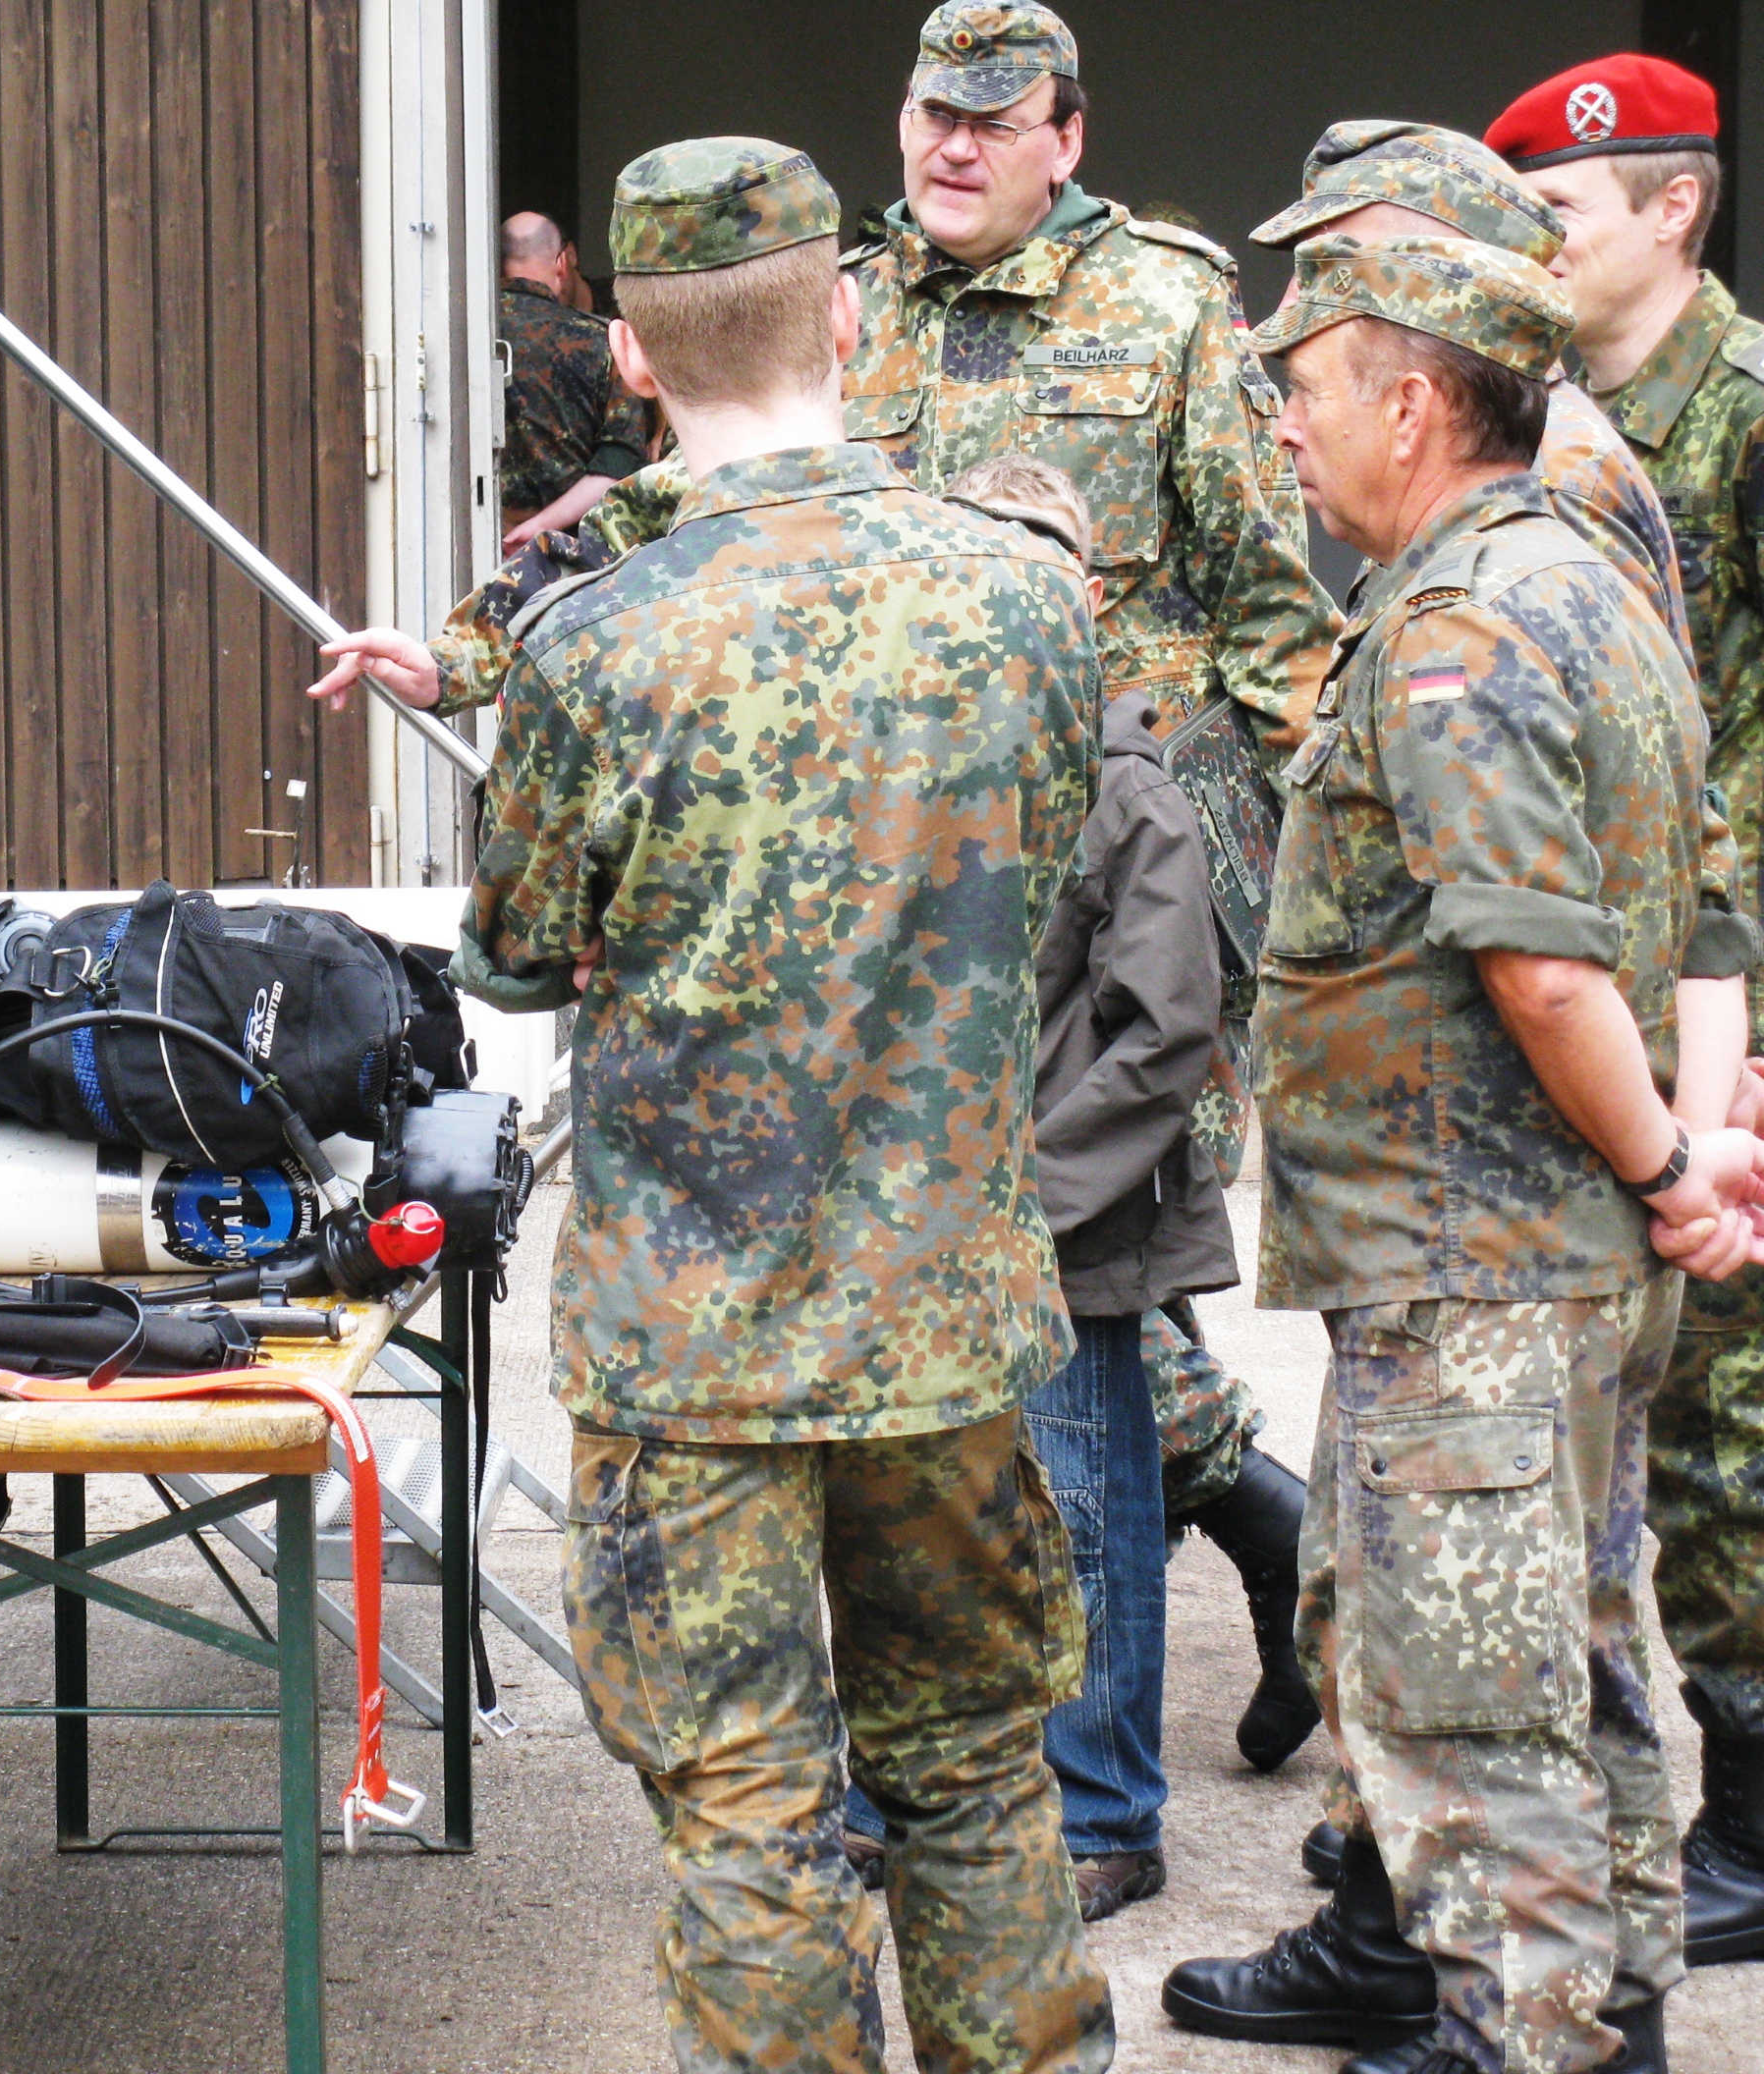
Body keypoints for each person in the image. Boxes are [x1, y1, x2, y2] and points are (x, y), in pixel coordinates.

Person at [310, 0, 1342, 1786]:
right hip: (883, 878)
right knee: (999, 1274)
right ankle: (1241, 1530)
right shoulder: (844, 298)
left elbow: (1272, 621)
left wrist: (1249, 902)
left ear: (1067, 138)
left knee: (1081, 1279)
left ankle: (1088, 1759)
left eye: (995, 120)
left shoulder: (1167, 309)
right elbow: (678, 500)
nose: (953, 145)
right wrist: (466, 652)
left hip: (1106, 874)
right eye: (934, 114)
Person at [460, 133, 1112, 2074]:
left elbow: (514, 952)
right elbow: (1044, 871)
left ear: (631, 358)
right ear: (846, 313)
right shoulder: (1026, 599)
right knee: (977, 1774)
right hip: (944, 1318)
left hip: (696, 1347)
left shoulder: (593, 641)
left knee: (747, 1812)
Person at [1157, 230, 1764, 2074]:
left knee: (1477, 1726)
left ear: (1412, 407)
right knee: (1571, 1676)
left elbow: (1541, 965)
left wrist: (1671, 1167)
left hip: (1481, 1259)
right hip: (1542, 1260)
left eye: (1304, 389)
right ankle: (1609, 2023)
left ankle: (1537, 2044)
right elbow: (1703, 902)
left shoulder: (1461, 624)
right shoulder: (1587, 576)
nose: (1281, 425)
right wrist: (1684, 1153)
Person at [1489, 51, 1764, 1971]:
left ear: (1672, 208)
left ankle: (1747, 1810)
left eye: (1558, 213)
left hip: (1729, 977)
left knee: (1730, 1420)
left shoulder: (1740, 419)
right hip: (1623, 964)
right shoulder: (1563, 419)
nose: (1533, 247)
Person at [944, 453, 1240, 1923]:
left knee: (1086, 1521)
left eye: (1035, 559)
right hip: (929, 1229)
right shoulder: (928, 772)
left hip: (1065, 1233)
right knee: (924, 1527)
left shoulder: (1129, 794)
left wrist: (1026, 1199)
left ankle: (1104, 1812)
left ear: (1084, 597)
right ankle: (897, 1800)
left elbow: (1167, 1034)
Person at [496, 211, 653, 548]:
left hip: (463, 548)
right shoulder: (601, 342)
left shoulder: (458, 340)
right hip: (571, 556)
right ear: (562, 263)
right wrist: (539, 527)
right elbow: (621, 463)